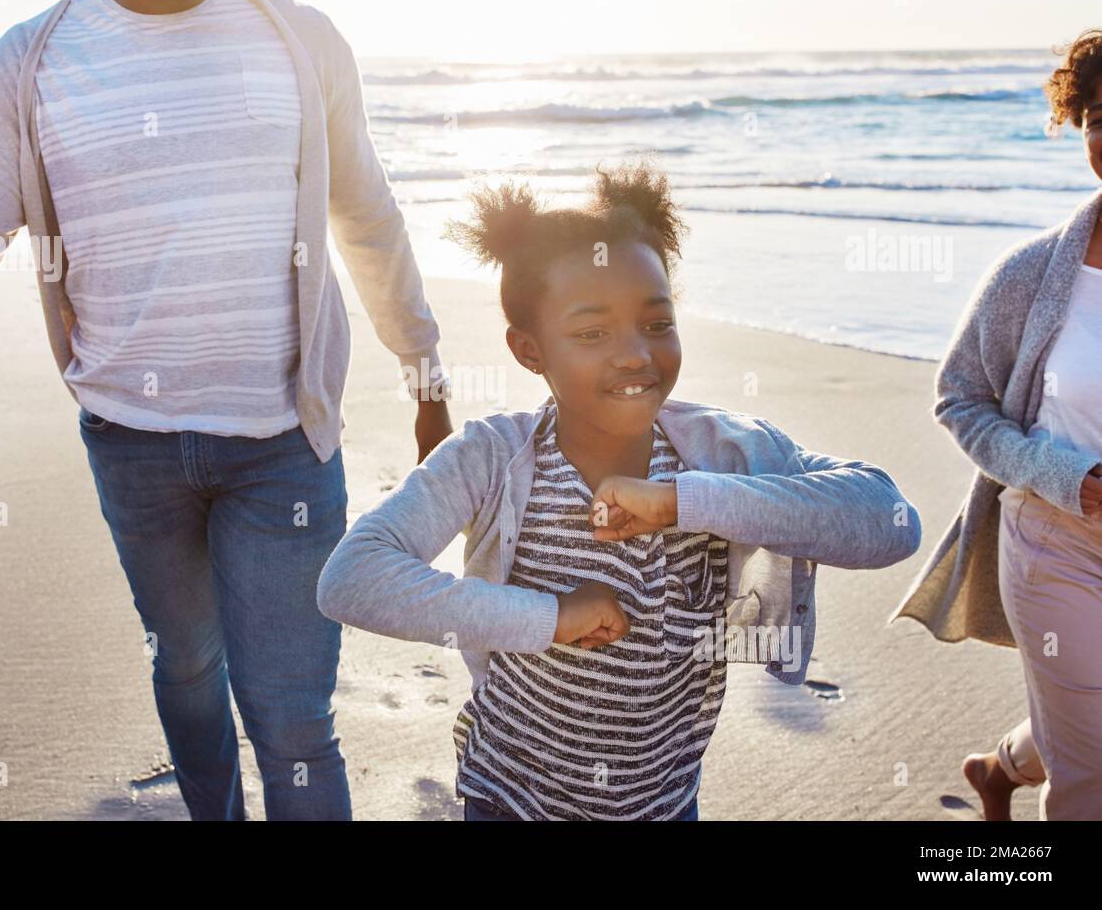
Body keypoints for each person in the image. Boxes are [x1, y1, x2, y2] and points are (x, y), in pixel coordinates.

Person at [0, 0, 454, 821]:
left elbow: (367, 217)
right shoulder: (30, 61)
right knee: (187, 667)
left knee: (293, 717)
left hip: (286, 444)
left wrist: (424, 368)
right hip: (131, 445)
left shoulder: (300, 39)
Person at [316, 162, 922, 820]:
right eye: (591, 333)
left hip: (662, 804)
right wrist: (549, 617)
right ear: (529, 350)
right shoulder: (492, 457)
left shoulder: (725, 455)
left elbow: (889, 520)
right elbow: (352, 577)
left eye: (656, 324)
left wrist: (685, 502)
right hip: (509, 800)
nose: (635, 353)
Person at [891, 29, 1102, 821]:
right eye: (1100, 114)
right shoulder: (1031, 276)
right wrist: (1062, 475)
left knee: (1083, 727)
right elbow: (959, 398)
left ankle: (1000, 768)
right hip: (1057, 547)